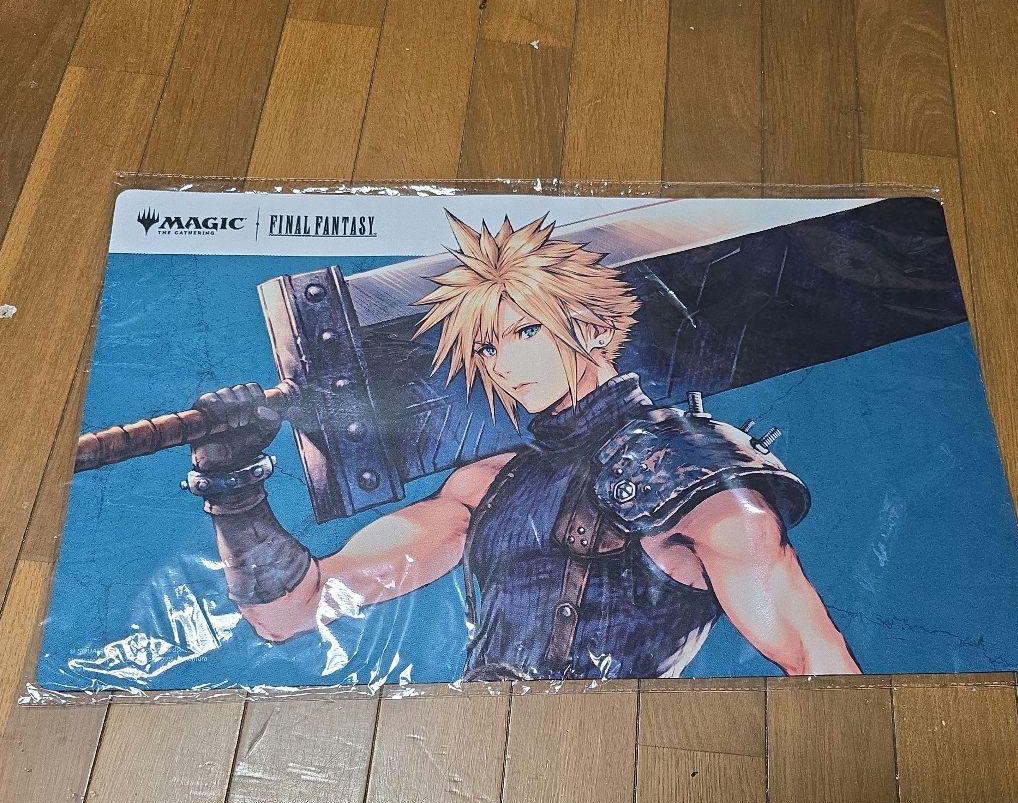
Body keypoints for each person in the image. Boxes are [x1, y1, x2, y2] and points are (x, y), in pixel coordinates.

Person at [187, 213, 861, 679]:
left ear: (595, 328)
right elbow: (292, 611)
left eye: (527, 332)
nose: (505, 363)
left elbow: (814, 657)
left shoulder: (689, 467)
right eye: (486, 347)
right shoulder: (488, 485)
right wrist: (232, 485)